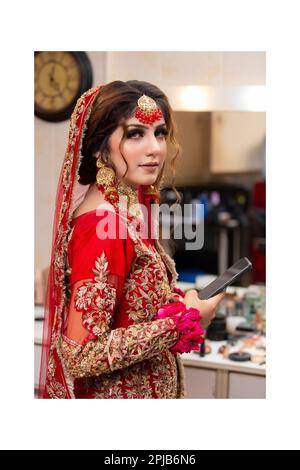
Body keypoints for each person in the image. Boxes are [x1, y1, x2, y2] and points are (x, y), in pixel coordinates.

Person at [38, 80, 225, 399]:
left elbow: (131, 309)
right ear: (99, 146)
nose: (155, 147)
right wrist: (183, 321)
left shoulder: (123, 213)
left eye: (160, 132)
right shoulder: (103, 226)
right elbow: (82, 354)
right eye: (135, 133)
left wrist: (178, 305)